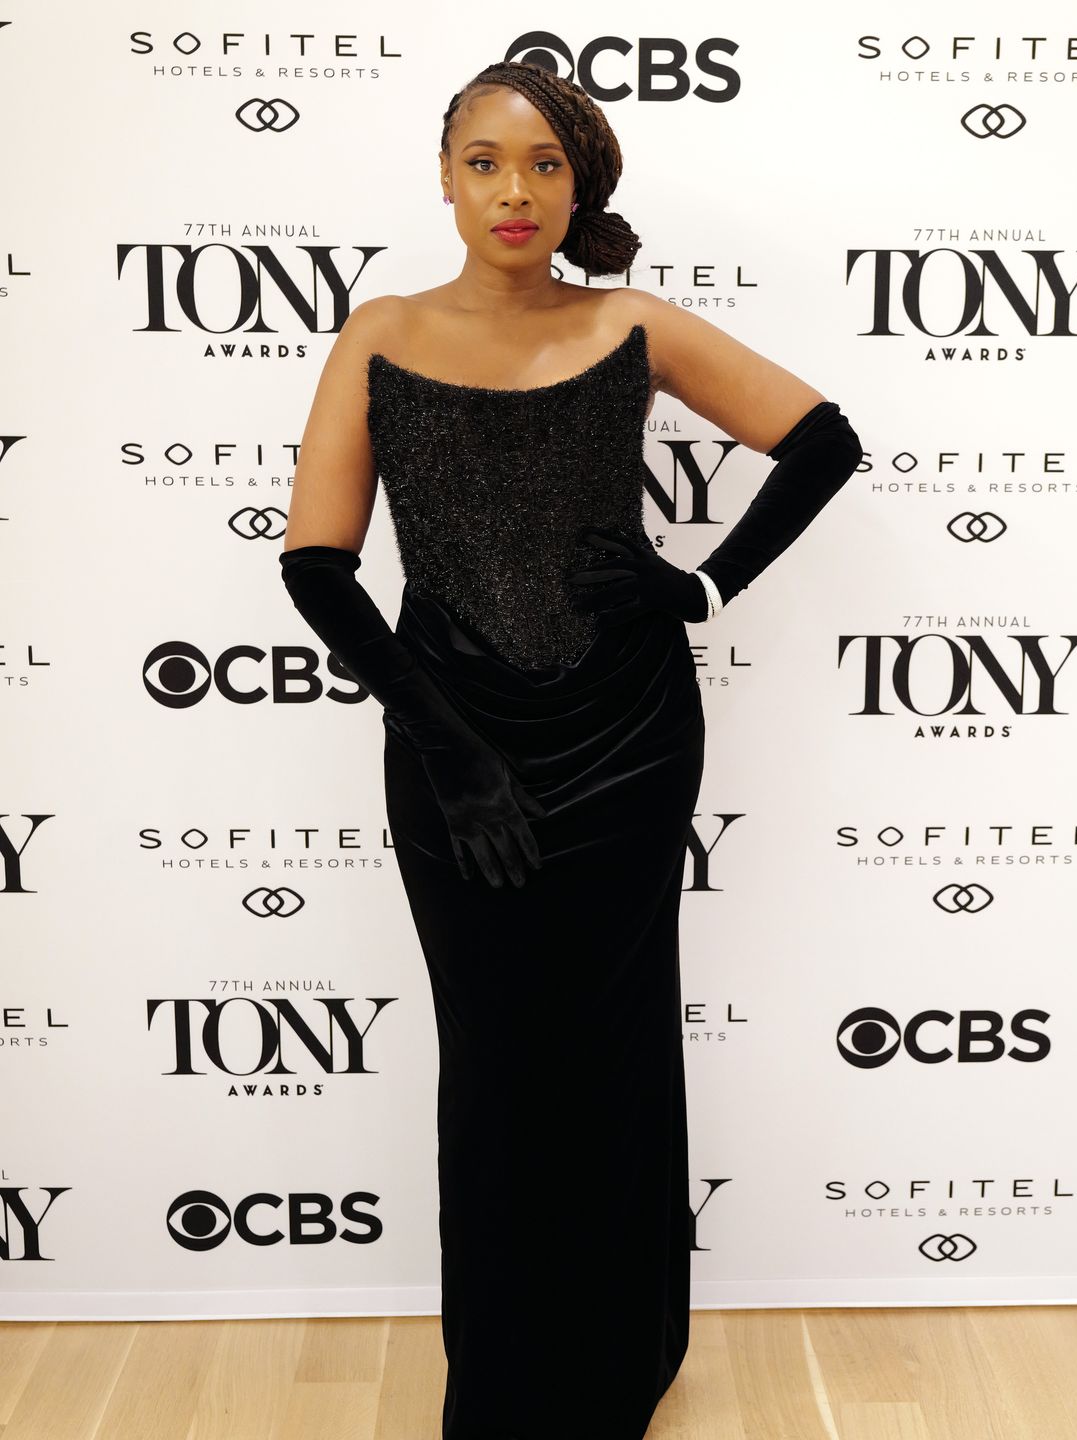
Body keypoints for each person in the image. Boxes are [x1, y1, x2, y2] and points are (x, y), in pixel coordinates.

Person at [278, 58, 862, 1440]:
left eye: (545, 165)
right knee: (493, 1062)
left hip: (631, 737)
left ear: (580, 184)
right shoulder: (380, 334)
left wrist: (699, 586)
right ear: (445, 177)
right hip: (453, 744)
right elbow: (317, 569)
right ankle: (500, 1389)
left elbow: (823, 441)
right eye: (486, 161)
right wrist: (453, 746)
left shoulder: (633, 325)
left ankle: (619, 1365)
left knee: (610, 1047)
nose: (514, 190)